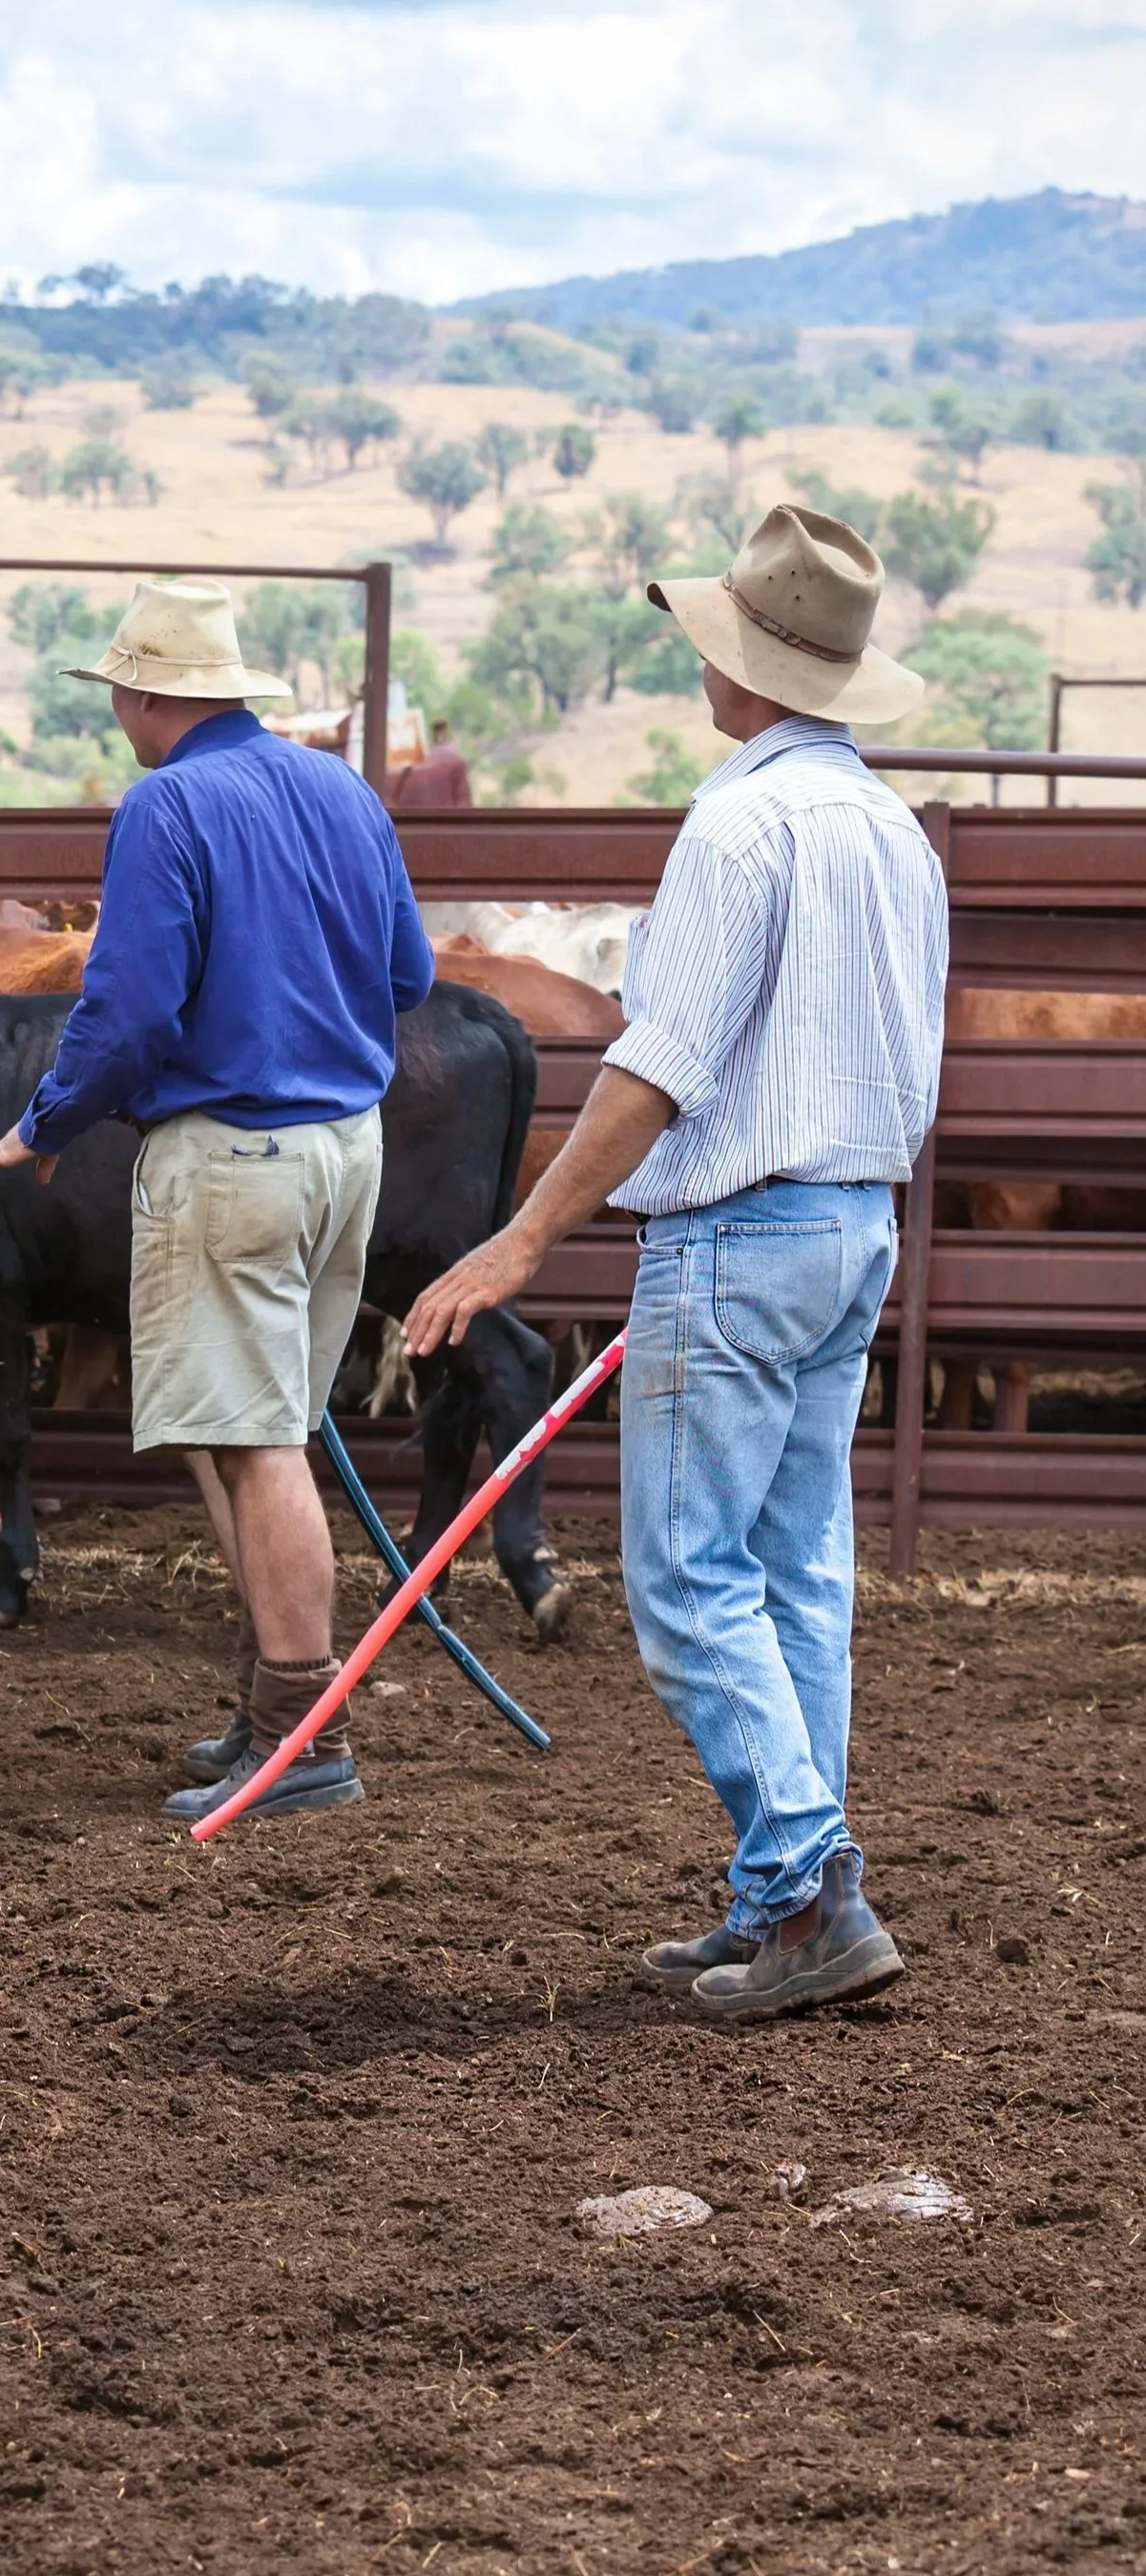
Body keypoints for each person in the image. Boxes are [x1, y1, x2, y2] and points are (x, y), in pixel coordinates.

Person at [405, 502, 947, 2023]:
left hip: (738, 1233)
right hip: (851, 1227)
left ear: (746, 664)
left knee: (689, 1579)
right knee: (793, 1573)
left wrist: (521, 1237)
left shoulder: (737, 822)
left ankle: (808, 1879)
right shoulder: (887, 830)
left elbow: (659, 1064)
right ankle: (782, 1897)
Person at [0, 577, 434, 1819]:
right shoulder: (342, 790)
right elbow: (410, 969)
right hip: (344, 1146)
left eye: (119, 690)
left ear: (145, 694)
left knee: (254, 1434)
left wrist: (42, 1124)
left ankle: (301, 1720)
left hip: (234, 1150)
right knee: (248, 1426)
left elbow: (126, 1013)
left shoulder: (166, 804)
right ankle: (273, 1702)